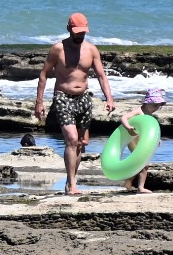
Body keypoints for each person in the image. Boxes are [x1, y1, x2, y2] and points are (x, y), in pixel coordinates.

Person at [34, 12, 116, 196]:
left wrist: (109, 98)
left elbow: (102, 76)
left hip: (84, 98)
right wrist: (39, 102)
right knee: (71, 139)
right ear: (69, 29)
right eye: (77, 32)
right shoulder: (58, 49)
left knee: (80, 143)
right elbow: (43, 75)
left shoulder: (91, 50)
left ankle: (71, 181)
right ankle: (72, 183)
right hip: (63, 96)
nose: (80, 36)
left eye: (83, 33)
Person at [115, 88, 167, 194]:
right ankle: (140, 187)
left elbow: (151, 130)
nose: (156, 108)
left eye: (158, 106)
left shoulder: (150, 115)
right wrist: (128, 127)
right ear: (147, 102)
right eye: (154, 105)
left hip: (142, 141)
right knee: (144, 163)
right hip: (133, 140)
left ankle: (129, 182)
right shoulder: (139, 111)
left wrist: (157, 139)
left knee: (139, 163)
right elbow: (124, 118)